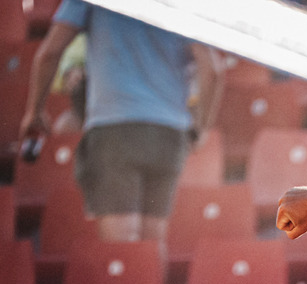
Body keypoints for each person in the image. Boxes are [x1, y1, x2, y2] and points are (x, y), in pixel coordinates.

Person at [19, 0, 224, 252]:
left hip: (114, 128)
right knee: (153, 244)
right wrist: (200, 127)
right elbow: (213, 69)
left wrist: (35, 111)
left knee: (121, 247)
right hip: (169, 132)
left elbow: (50, 53)